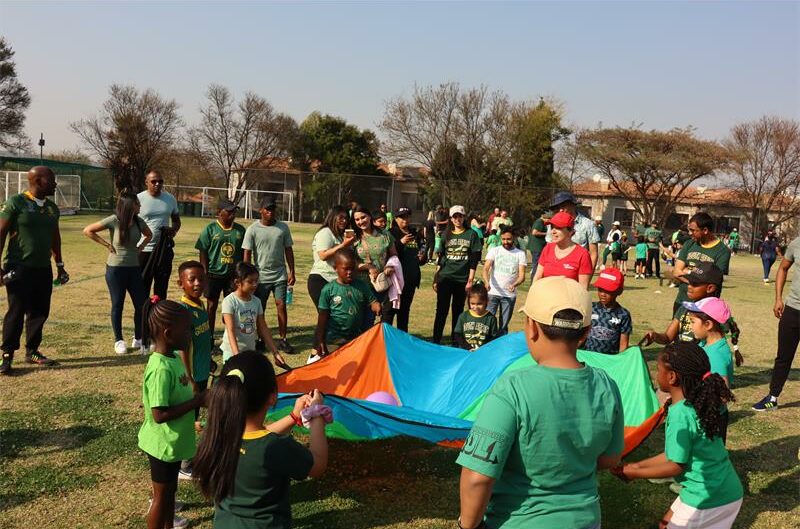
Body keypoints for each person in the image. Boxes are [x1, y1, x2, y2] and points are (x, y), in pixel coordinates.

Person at [457, 276, 624, 529]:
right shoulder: (606, 385)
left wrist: (467, 525)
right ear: (586, 332)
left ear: (532, 327)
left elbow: (477, 476)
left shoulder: (512, 388)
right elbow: (611, 458)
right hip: (586, 519)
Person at [192, 351, 330, 529]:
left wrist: (294, 416)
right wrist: (317, 413)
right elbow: (318, 464)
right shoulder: (276, 447)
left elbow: (257, 437)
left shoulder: (217, 436)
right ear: (272, 397)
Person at [614, 342, 742, 529]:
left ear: (672, 377)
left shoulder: (680, 414)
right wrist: (638, 465)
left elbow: (675, 466)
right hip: (721, 488)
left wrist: (635, 473)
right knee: (664, 525)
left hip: (709, 498)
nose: (656, 375)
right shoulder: (696, 403)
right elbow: (675, 454)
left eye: (658, 370)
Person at [138, 297, 205, 529]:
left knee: (170, 492)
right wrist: (196, 402)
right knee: (161, 497)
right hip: (162, 445)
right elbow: (159, 415)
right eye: (187, 330)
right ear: (168, 334)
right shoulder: (160, 369)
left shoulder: (174, 358)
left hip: (174, 443)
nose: (190, 335)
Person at [0, 166, 69, 374]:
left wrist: (59, 265)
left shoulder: (52, 208)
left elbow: (55, 238)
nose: (55, 184)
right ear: (38, 181)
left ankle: (32, 351)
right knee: (16, 310)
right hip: (18, 266)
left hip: (43, 268)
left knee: (40, 311)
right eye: (52, 180)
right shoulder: (16, 203)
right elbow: (1, 232)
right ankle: (7, 355)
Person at [83, 192, 152, 355]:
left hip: (134, 269)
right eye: (137, 203)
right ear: (129, 205)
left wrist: (141, 247)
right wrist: (107, 244)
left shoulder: (139, 221)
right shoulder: (114, 220)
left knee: (141, 305)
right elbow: (88, 230)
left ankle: (138, 337)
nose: (140, 206)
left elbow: (149, 235)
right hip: (116, 269)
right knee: (117, 304)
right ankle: (119, 340)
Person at [174, 260, 213, 480]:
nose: (198, 283)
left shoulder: (200, 305)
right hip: (193, 378)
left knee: (195, 416)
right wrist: (189, 378)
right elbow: (183, 348)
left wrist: (209, 361)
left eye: (201, 278)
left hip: (202, 372)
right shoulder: (184, 310)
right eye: (192, 279)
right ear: (181, 283)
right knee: (190, 419)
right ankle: (184, 465)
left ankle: (189, 459)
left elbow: (201, 341)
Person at [753, 232, 800, 411]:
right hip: (793, 309)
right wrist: (778, 298)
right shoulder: (797, 243)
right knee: (783, 357)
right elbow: (783, 268)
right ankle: (772, 397)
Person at [242, 196, 296, 353]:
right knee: (260, 308)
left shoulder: (283, 228)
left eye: (272, 208)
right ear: (261, 210)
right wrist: (247, 275)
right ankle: (260, 339)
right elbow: (247, 253)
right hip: (261, 277)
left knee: (281, 305)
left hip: (280, 275)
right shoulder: (252, 229)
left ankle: (283, 339)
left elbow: (288, 250)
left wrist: (292, 271)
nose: (270, 212)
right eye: (267, 209)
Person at [311, 249, 381, 363]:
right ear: (335, 268)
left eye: (352, 268)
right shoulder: (328, 290)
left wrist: (376, 305)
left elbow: (372, 301)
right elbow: (322, 319)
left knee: (354, 367)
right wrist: (320, 341)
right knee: (336, 367)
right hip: (334, 341)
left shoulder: (362, 286)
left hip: (356, 339)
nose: (349, 272)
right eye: (346, 269)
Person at [220, 262, 287, 369]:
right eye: (250, 281)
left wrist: (275, 352)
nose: (255, 284)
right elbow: (230, 330)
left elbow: (263, 328)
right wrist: (237, 356)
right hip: (232, 353)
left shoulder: (256, 301)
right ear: (237, 282)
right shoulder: (230, 301)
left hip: (250, 352)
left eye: (256, 281)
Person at [432, 205, 482, 344]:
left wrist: (470, 279)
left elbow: (474, 259)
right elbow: (441, 259)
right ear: (451, 218)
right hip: (446, 277)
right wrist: (436, 278)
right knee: (441, 310)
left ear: (464, 217)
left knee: (458, 311)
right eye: (455, 216)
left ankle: (456, 341)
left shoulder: (471, 234)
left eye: (460, 216)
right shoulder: (446, 234)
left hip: (462, 279)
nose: (457, 219)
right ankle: (436, 340)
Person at [196, 198, 245, 338]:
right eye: (229, 212)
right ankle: (209, 337)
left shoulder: (240, 230)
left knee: (231, 307)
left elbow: (244, 252)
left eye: (234, 212)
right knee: (211, 306)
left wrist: (241, 273)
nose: (232, 215)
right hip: (213, 274)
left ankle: (230, 337)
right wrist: (204, 272)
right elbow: (203, 251)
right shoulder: (210, 229)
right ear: (219, 212)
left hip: (232, 276)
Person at [643, 262, 723, 345]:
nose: (689, 286)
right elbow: (668, 337)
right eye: (689, 282)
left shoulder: (717, 314)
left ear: (710, 288)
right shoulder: (685, 308)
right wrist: (655, 336)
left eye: (694, 284)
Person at [672, 212, 731, 314]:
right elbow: (676, 272)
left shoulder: (722, 251)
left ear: (705, 230)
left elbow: (712, 280)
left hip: (704, 307)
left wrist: (688, 269)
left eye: (693, 230)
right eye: (689, 230)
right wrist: (698, 275)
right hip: (682, 302)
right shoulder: (689, 244)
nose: (690, 233)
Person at [138, 170, 181, 299]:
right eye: (154, 181)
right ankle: (143, 312)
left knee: (161, 288)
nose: (157, 184)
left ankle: (159, 312)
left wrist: (173, 230)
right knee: (142, 287)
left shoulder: (170, 199)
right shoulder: (138, 199)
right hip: (144, 249)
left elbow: (176, 220)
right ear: (146, 182)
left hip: (164, 250)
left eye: (160, 181)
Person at [352, 206, 397, 327]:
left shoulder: (384, 234)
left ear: (370, 216)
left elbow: (394, 255)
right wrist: (368, 267)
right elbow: (349, 262)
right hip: (360, 286)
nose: (361, 221)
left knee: (375, 319)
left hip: (380, 284)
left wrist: (389, 266)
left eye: (363, 217)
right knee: (361, 320)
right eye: (357, 219)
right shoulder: (353, 237)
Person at [308, 205, 356, 308]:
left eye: (346, 218)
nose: (344, 221)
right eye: (341, 218)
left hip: (336, 281)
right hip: (321, 278)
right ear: (333, 217)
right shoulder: (326, 232)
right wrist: (343, 245)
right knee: (326, 314)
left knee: (337, 313)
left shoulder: (341, 235)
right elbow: (323, 255)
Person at [387, 207, 426, 331]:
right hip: (395, 280)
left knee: (404, 312)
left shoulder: (415, 233)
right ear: (396, 219)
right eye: (402, 217)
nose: (405, 220)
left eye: (407, 216)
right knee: (389, 311)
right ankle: (386, 338)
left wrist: (422, 257)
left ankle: (402, 338)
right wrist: (401, 242)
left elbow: (421, 254)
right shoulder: (390, 233)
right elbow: (387, 254)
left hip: (410, 279)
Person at [483, 226, 526, 335]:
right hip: (493, 293)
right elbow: (486, 268)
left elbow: (522, 276)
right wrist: (487, 282)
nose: (506, 242)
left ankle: (502, 343)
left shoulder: (520, 254)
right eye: (503, 239)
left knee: (503, 326)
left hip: (509, 295)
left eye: (508, 239)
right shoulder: (494, 251)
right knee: (488, 323)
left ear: (514, 238)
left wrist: (514, 284)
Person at [533, 211, 593, 288]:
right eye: (552, 227)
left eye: (558, 228)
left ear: (570, 232)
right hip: (545, 295)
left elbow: (583, 288)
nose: (553, 231)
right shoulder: (548, 248)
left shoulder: (582, 254)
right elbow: (537, 277)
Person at [547, 191, 600, 271]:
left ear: (572, 205)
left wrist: (588, 275)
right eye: (558, 208)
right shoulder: (553, 223)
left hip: (577, 271)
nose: (560, 210)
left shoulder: (588, 224)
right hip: (555, 270)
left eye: (563, 206)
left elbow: (593, 253)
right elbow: (548, 249)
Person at [584, 268, 632, 354]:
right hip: (587, 357)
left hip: (610, 359)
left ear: (619, 291)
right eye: (600, 289)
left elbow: (623, 345)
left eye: (608, 290)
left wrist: (620, 359)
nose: (603, 294)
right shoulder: (590, 307)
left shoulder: (623, 315)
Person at [454, 283, 498, 351]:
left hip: (483, 352)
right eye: (472, 304)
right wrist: (468, 348)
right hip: (465, 352)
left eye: (479, 304)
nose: (476, 307)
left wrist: (483, 349)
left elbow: (493, 338)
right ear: (469, 301)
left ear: (487, 301)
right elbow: (458, 335)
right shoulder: (463, 316)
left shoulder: (491, 318)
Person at [528, 210, 549, 280]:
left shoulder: (541, 222)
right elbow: (534, 232)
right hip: (537, 248)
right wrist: (547, 234)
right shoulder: (539, 222)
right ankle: (533, 282)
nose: (549, 221)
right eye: (549, 219)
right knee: (536, 266)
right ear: (545, 218)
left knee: (537, 266)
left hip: (538, 247)